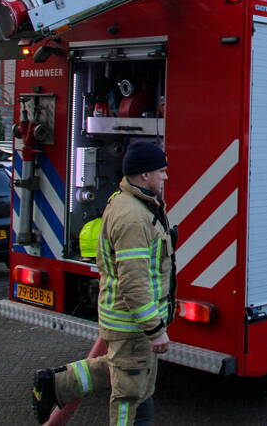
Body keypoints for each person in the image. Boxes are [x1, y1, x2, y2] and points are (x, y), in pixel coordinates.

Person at [33, 141, 175, 425]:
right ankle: (56, 384)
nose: (166, 176)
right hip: (132, 323)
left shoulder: (133, 203)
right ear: (144, 175)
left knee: (127, 373)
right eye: (161, 170)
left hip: (128, 321)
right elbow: (133, 282)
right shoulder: (133, 217)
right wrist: (154, 329)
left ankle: (57, 384)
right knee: (130, 397)